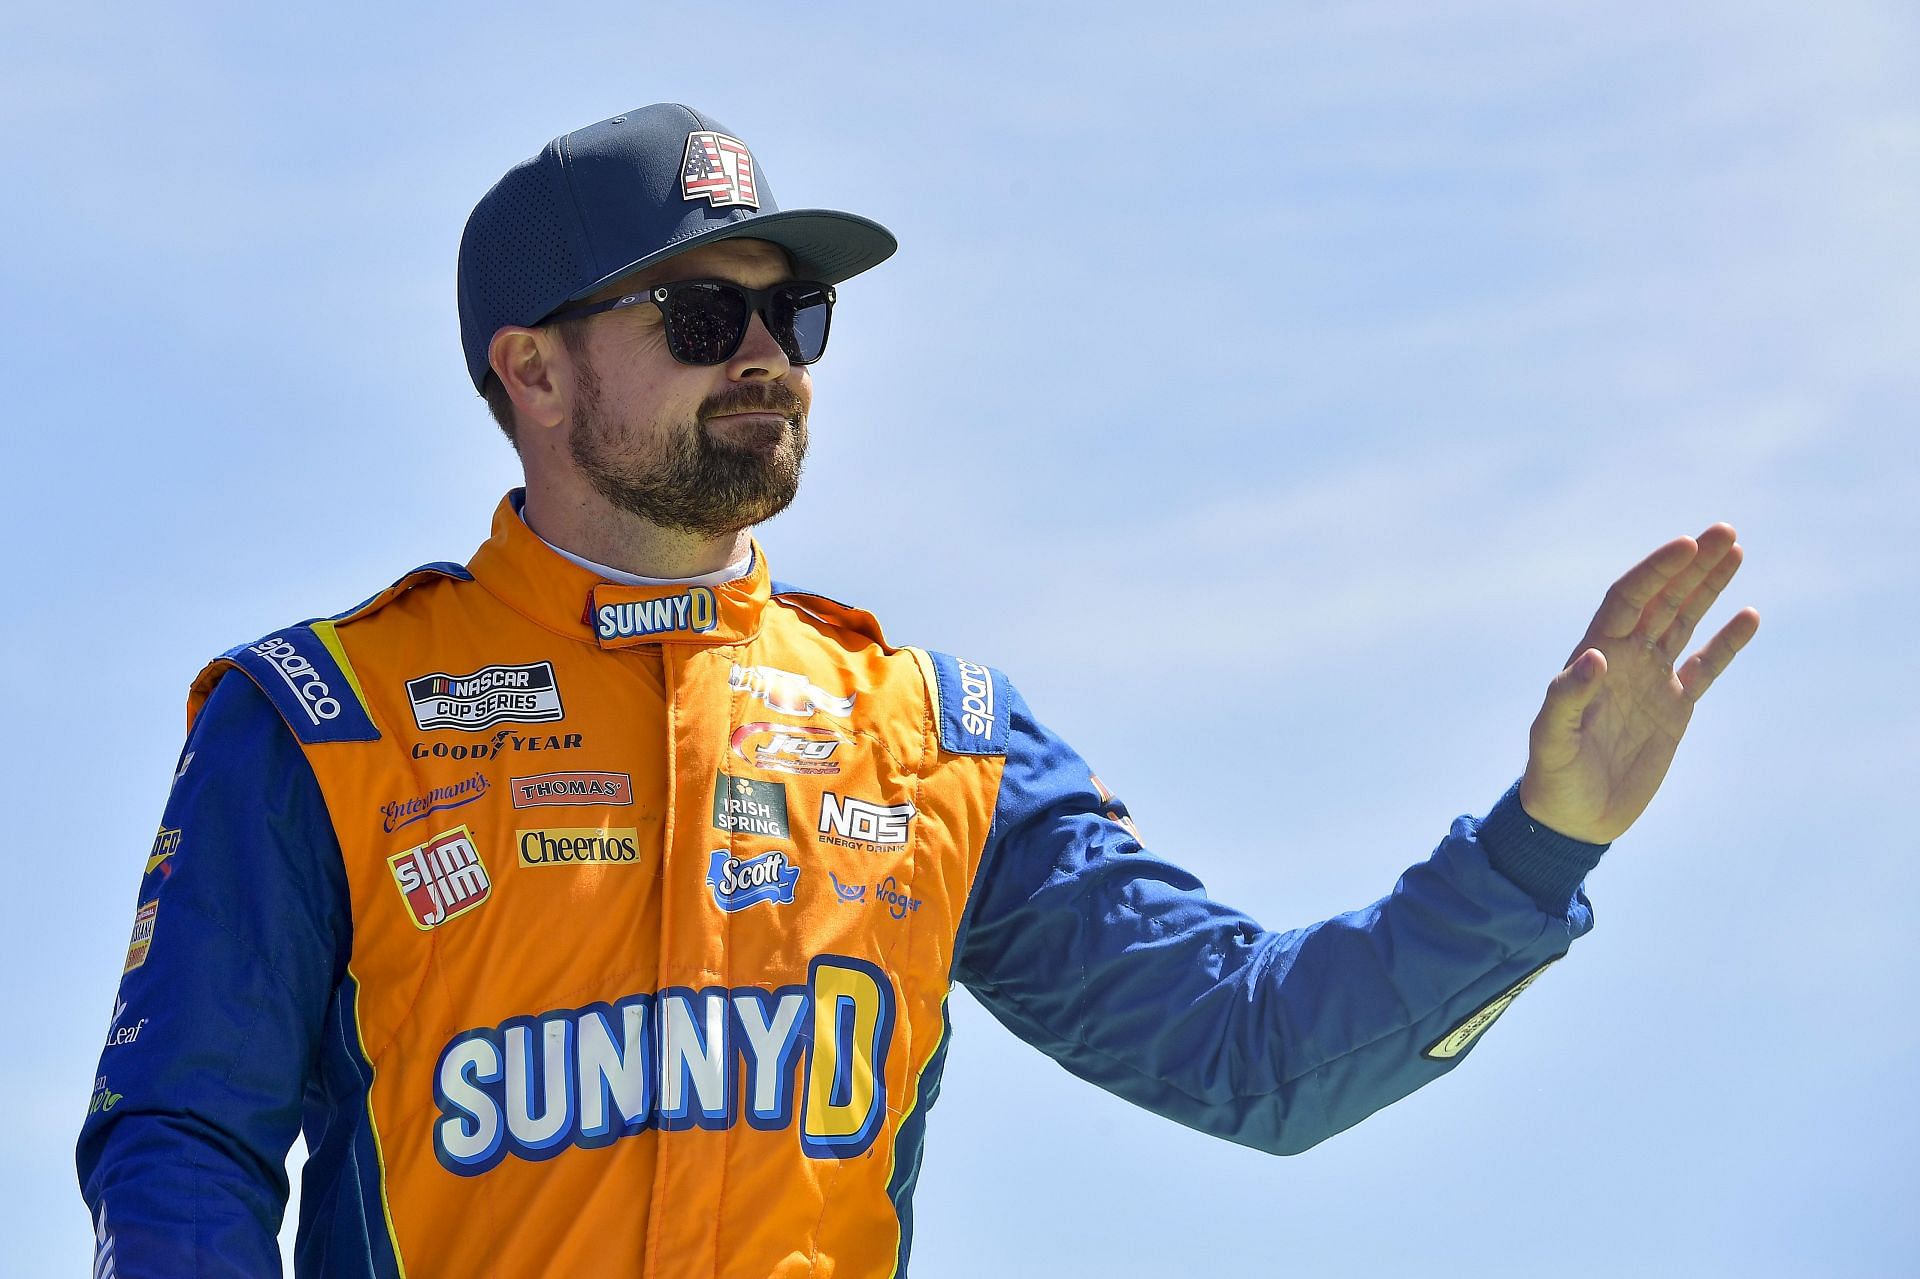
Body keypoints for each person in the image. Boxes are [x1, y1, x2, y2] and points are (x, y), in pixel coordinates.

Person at [76, 102, 1759, 1279]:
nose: (768, 355)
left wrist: (1541, 847)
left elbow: (1261, 1057)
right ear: (529, 367)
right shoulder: (321, 716)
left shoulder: (936, 734)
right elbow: (180, 1162)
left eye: (795, 315)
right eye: (701, 310)